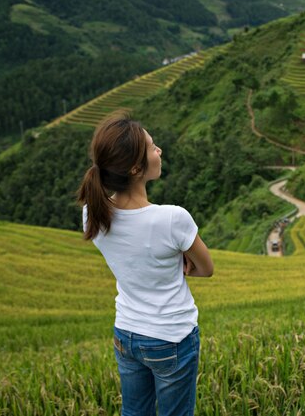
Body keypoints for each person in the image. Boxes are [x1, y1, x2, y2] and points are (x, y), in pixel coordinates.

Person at [76, 111, 213, 416]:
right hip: (171, 337)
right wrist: (181, 262)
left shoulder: (92, 215)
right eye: (153, 147)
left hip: (126, 333)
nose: (159, 150)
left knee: (134, 412)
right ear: (137, 168)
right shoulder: (172, 218)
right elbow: (206, 268)